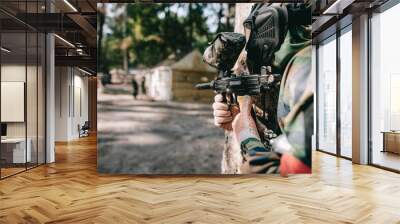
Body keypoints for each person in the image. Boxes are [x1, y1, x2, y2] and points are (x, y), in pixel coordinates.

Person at [213, 3, 313, 176]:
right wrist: (239, 116)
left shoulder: (306, 69)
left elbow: (285, 177)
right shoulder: (291, 67)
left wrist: (245, 134)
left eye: (255, 29)